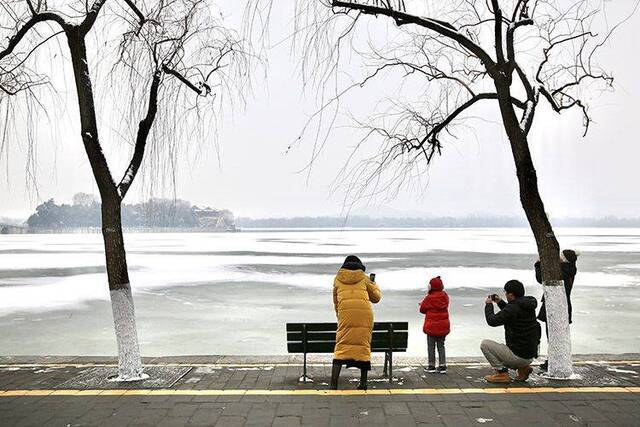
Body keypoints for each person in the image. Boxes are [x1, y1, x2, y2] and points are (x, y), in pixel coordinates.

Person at [330, 255, 381, 390]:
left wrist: (340, 316)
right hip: (364, 315)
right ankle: (363, 383)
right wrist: (374, 283)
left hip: (345, 315)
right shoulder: (364, 278)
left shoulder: (337, 279)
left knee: (341, 346)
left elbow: (336, 302)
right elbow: (376, 298)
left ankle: (333, 384)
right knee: (363, 347)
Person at [481, 280, 541, 383]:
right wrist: (500, 302)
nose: (505, 294)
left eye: (506, 292)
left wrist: (489, 305)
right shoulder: (527, 305)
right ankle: (523, 369)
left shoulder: (513, 308)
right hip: (530, 355)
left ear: (511, 294)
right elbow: (512, 312)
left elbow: (492, 321)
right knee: (518, 346)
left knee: (485, 344)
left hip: (518, 356)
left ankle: (502, 373)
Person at [535, 249, 579, 371]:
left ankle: (553, 361)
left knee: (552, 335)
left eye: (560, 256)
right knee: (557, 335)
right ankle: (553, 360)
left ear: (564, 259)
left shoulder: (561, 271)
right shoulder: (569, 269)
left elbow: (541, 279)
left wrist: (538, 264)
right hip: (563, 305)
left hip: (556, 305)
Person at [419, 276, 450, 373]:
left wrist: (422, 304)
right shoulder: (445, 296)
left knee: (431, 346)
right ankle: (442, 365)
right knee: (441, 345)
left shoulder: (429, 298)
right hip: (443, 326)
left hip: (431, 327)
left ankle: (431, 365)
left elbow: (422, 309)